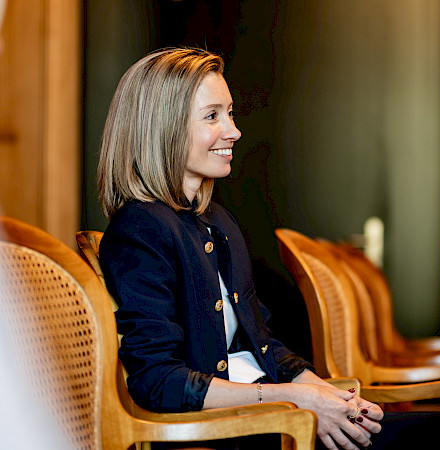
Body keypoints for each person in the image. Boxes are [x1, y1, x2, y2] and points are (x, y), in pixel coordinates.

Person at [98, 47, 384, 450]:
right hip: (231, 435)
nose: (233, 131)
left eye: (230, 113)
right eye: (212, 116)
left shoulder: (218, 221)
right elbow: (157, 381)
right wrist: (295, 399)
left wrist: (331, 398)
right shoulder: (140, 229)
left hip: (274, 419)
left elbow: (262, 343)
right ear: (162, 128)